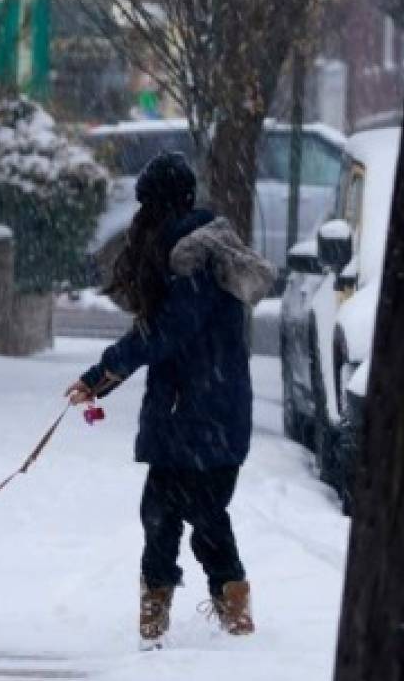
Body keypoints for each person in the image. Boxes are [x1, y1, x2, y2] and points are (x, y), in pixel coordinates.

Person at [67, 151, 276, 649]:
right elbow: (159, 333)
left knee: (187, 513)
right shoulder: (190, 251)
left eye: (146, 206)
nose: (139, 218)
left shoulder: (193, 261)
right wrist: (105, 378)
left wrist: (102, 375)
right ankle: (194, 607)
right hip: (200, 411)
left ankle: (205, 610)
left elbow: (163, 334)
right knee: (177, 512)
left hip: (198, 413)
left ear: (159, 205)